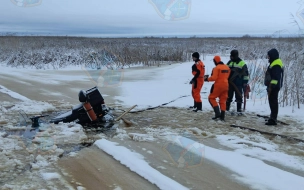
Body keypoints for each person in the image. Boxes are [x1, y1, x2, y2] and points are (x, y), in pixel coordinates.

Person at [205, 56, 230, 121]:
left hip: (218, 85)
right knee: (223, 101)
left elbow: (214, 78)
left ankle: (217, 113)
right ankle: (222, 116)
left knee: (211, 98)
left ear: (215, 61)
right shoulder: (227, 67)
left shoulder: (216, 68)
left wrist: (207, 79)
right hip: (226, 85)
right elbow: (228, 76)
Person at [264, 48, 284, 125]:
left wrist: (271, 86)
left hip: (274, 87)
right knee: (272, 101)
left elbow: (276, 77)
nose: (268, 57)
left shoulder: (276, 64)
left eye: (269, 56)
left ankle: (273, 119)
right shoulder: (275, 62)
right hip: (272, 86)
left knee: (273, 102)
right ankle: (272, 117)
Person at [226, 50, 249, 114]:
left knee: (239, 97)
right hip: (229, 83)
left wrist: (245, 83)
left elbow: (246, 74)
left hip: (238, 84)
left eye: (233, 56)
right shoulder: (229, 63)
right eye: (231, 56)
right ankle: (226, 109)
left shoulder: (242, 63)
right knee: (228, 96)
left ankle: (239, 110)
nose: (231, 57)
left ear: (236, 56)